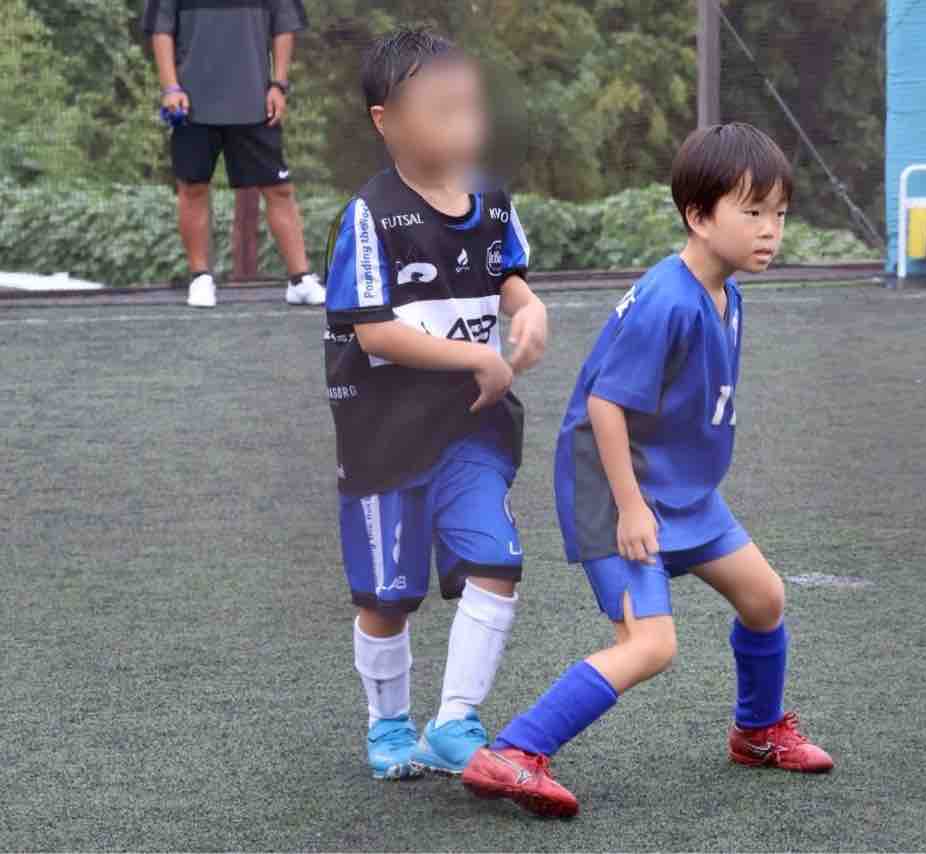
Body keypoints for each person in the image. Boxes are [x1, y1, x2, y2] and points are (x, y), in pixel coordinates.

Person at [462, 123, 834, 818]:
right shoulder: (668, 300)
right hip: (618, 494)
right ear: (699, 216)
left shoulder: (724, 292)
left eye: (780, 213)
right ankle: (515, 751)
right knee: (650, 644)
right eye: (753, 211)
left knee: (764, 598)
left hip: (680, 493)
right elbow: (605, 405)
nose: (770, 230)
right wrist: (632, 509)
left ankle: (757, 733)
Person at [322, 30, 547, 780]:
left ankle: (455, 720)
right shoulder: (368, 215)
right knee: (387, 597)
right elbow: (373, 330)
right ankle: (389, 726)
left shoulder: (490, 198)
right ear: (385, 121)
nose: (462, 124)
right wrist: (476, 356)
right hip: (385, 438)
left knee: (497, 559)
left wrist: (528, 307)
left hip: (470, 428)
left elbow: (506, 272)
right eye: (440, 109)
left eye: (469, 107)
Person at [142, 0, 325, 308]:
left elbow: (283, 25)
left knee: (279, 189)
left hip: (256, 103)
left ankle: (299, 280)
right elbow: (161, 30)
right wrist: (171, 88)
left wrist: (279, 85)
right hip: (191, 104)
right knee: (193, 188)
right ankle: (200, 278)